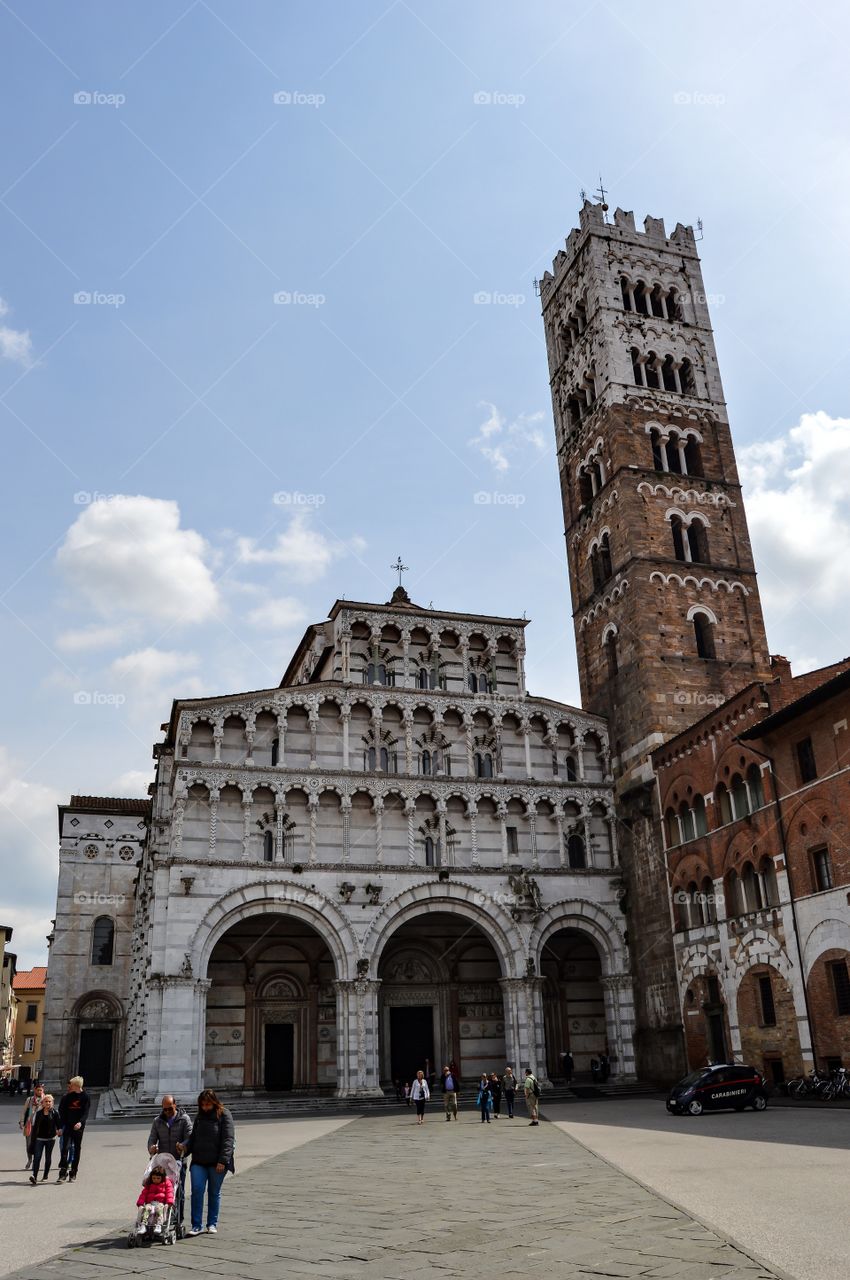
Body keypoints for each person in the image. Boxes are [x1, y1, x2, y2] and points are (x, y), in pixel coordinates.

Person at [182, 1089, 235, 1236]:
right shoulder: (199, 1116)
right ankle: (196, 1225)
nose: (205, 1107)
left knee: (213, 1192)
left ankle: (212, 1223)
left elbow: (228, 1139)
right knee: (197, 1191)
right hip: (199, 1161)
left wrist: (223, 1160)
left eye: (208, 1104)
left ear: (214, 1102)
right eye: (203, 1105)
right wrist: (184, 1148)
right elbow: (193, 1137)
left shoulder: (224, 1114)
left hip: (217, 1162)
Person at [57, 1076, 91, 1182]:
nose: (69, 1086)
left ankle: (73, 1172)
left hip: (78, 1127)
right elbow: (62, 1112)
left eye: (71, 1085)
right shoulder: (67, 1097)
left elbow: (85, 1112)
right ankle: (63, 1172)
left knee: (77, 1149)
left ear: (76, 1085)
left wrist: (80, 1122)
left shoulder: (85, 1097)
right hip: (68, 1126)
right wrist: (61, 1126)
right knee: (65, 1148)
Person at [28, 1093, 61, 1184]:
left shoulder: (55, 1113)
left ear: (52, 1103)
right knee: (37, 1157)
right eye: (46, 1101)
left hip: (50, 1139)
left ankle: (45, 1175)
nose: (48, 1103)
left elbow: (59, 1124)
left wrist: (59, 1130)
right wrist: (33, 1139)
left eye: (49, 1101)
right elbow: (35, 1127)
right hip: (39, 1139)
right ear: (42, 1103)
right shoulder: (39, 1113)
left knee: (48, 1157)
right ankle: (34, 1176)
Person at [135, 1164, 175, 1237]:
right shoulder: (149, 1184)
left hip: (161, 1203)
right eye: (154, 1178)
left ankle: (159, 1224)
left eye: (158, 1178)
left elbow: (169, 1193)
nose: (155, 1180)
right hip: (150, 1203)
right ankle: (143, 1225)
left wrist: (168, 1203)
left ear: (162, 1178)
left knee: (159, 1208)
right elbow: (143, 1194)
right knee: (146, 1209)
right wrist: (140, 1203)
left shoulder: (166, 1183)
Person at [20, 1081, 45, 1169]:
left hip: (40, 1126)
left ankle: (35, 1161)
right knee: (28, 1144)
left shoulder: (46, 1099)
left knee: (38, 1145)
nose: (39, 1092)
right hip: (29, 1124)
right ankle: (29, 1159)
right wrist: (22, 1122)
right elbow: (23, 1112)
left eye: (41, 1090)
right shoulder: (30, 1099)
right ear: (35, 1090)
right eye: (38, 1090)